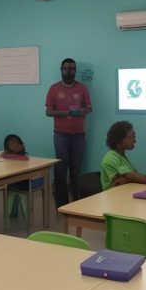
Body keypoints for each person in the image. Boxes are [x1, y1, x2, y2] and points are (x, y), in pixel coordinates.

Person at [45, 58, 92, 206]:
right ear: (61, 70)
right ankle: (62, 204)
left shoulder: (82, 88)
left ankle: (76, 204)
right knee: (60, 171)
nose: (69, 71)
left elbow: (90, 108)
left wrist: (81, 111)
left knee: (76, 171)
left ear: (75, 71)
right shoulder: (54, 89)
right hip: (60, 135)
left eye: (72, 69)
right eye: (66, 68)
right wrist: (65, 113)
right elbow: (48, 112)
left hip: (79, 135)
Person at [100, 121, 146, 190]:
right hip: (113, 198)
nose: (134, 141)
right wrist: (131, 180)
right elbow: (118, 184)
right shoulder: (111, 157)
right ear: (119, 140)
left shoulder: (123, 158)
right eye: (131, 137)